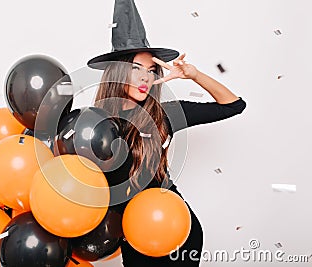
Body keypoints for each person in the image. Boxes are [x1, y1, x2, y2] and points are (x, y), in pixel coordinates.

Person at [87, 0, 246, 266]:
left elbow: (233, 105)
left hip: (177, 231)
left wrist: (193, 75)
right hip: (134, 237)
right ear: (118, 70)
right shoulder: (90, 123)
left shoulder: (163, 114)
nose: (145, 78)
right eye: (136, 68)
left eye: (151, 71)